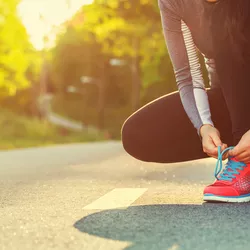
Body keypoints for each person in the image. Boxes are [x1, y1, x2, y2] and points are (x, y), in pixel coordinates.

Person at [121, 0, 250, 202]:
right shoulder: (174, 2)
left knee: (226, 23)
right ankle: (242, 145)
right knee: (138, 134)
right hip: (233, 101)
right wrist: (204, 126)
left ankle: (245, 166)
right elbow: (187, 76)